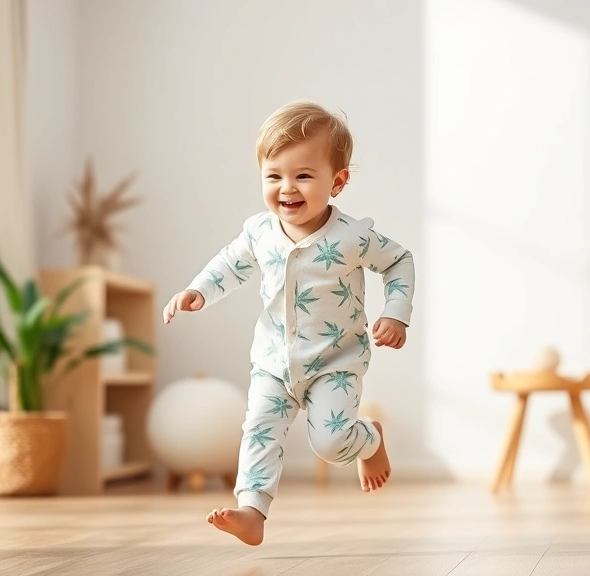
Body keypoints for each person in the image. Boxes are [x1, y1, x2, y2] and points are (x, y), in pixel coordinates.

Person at [162, 101, 415, 545]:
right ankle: (252, 510)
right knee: (259, 431)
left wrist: (396, 312)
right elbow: (230, 264)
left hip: (335, 362)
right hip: (273, 362)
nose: (287, 188)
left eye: (303, 176)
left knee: (330, 443)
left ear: (337, 182)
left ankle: (369, 438)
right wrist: (198, 290)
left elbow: (399, 261)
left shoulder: (352, 237)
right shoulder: (260, 231)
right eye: (274, 176)